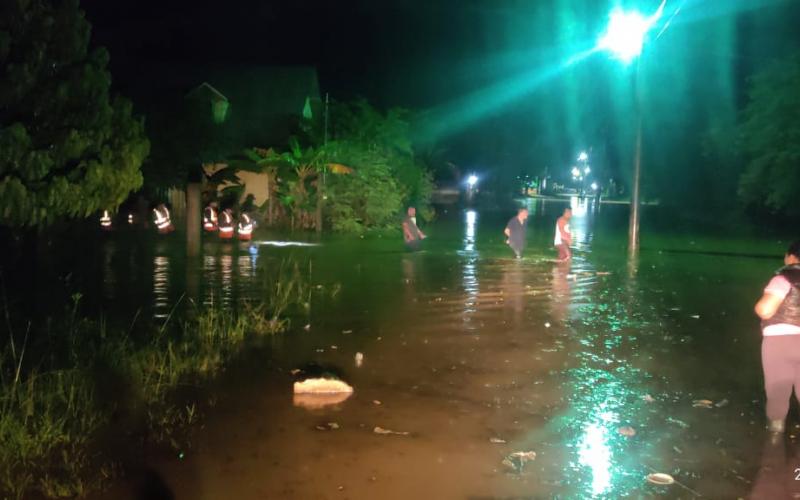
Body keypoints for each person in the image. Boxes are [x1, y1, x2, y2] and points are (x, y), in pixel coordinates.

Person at [754, 240, 800, 434]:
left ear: (790, 256)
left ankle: (773, 446)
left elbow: (765, 310)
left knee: (777, 394)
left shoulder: (783, 279)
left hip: (780, 342)